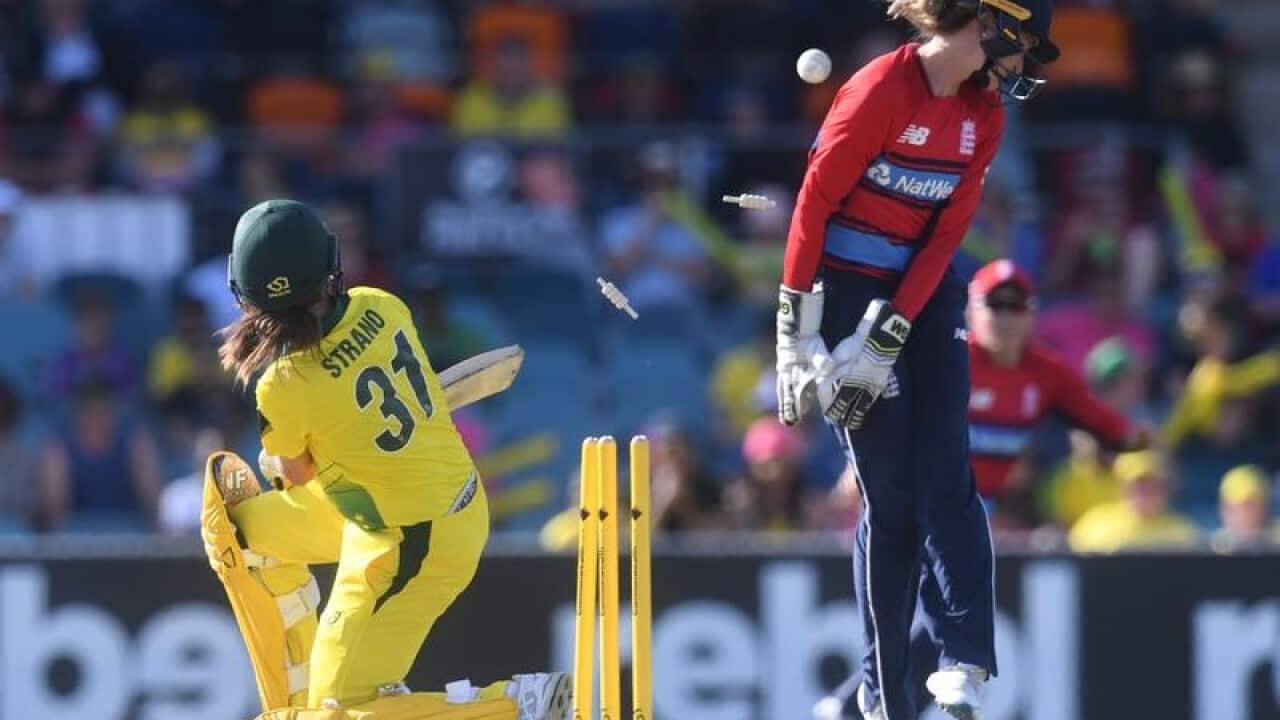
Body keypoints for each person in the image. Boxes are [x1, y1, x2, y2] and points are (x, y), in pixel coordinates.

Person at [774, 2, 1060, 718]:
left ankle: (963, 661)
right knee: (892, 497)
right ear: (991, 26)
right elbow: (814, 206)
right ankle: (881, 696)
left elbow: (944, 237)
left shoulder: (984, 115)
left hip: (923, 290)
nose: (1024, 68)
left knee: (946, 469)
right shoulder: (879, 89)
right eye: (1025, 48)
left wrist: (891, 332)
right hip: (841, 284)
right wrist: (796, 329)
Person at [201, 199, 569, 719]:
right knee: (239, 529)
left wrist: (278, 463)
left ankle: (513, 708)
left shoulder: (282, 387)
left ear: (247, 294)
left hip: (412, 546)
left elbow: (296, 472)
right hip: (392, 507)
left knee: (336, 716)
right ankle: (298, 684)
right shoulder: (381, 304)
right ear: (328, 266)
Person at [964, 260, 1150, 527]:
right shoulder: (950, 362)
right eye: (995, 305)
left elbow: (1105, 424)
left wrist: (1142, 441)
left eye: (1016, 307)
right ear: (971, 312)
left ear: (1031, 315)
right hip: (932, 504)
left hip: (1002, 512)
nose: (1005, 318)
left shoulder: (1047, 372)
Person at [1068, 450, 1199, 553]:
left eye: (1154, 485)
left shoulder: (1182, 532)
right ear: (1121, 488)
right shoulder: (1095, 525)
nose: (1146, 492)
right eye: (1139, 485)